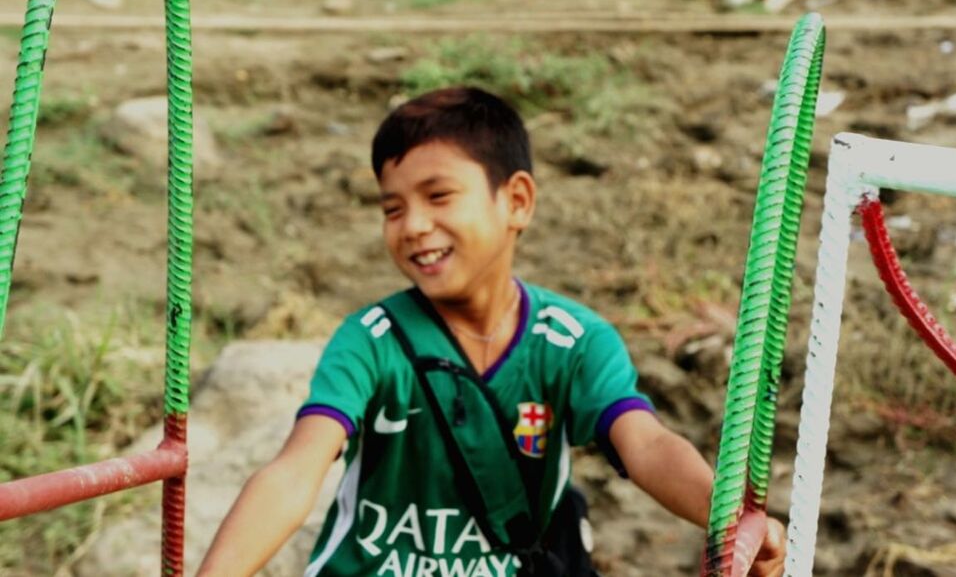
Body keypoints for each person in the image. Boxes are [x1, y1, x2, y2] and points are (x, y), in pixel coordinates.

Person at [197, 86, 785, 576]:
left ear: (517, 201)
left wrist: (726, 517)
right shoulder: (372, 339)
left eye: (439, 196)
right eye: (392, 208)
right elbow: (295, 471)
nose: (414, 226)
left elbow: (647, 445)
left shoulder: (573, 340)